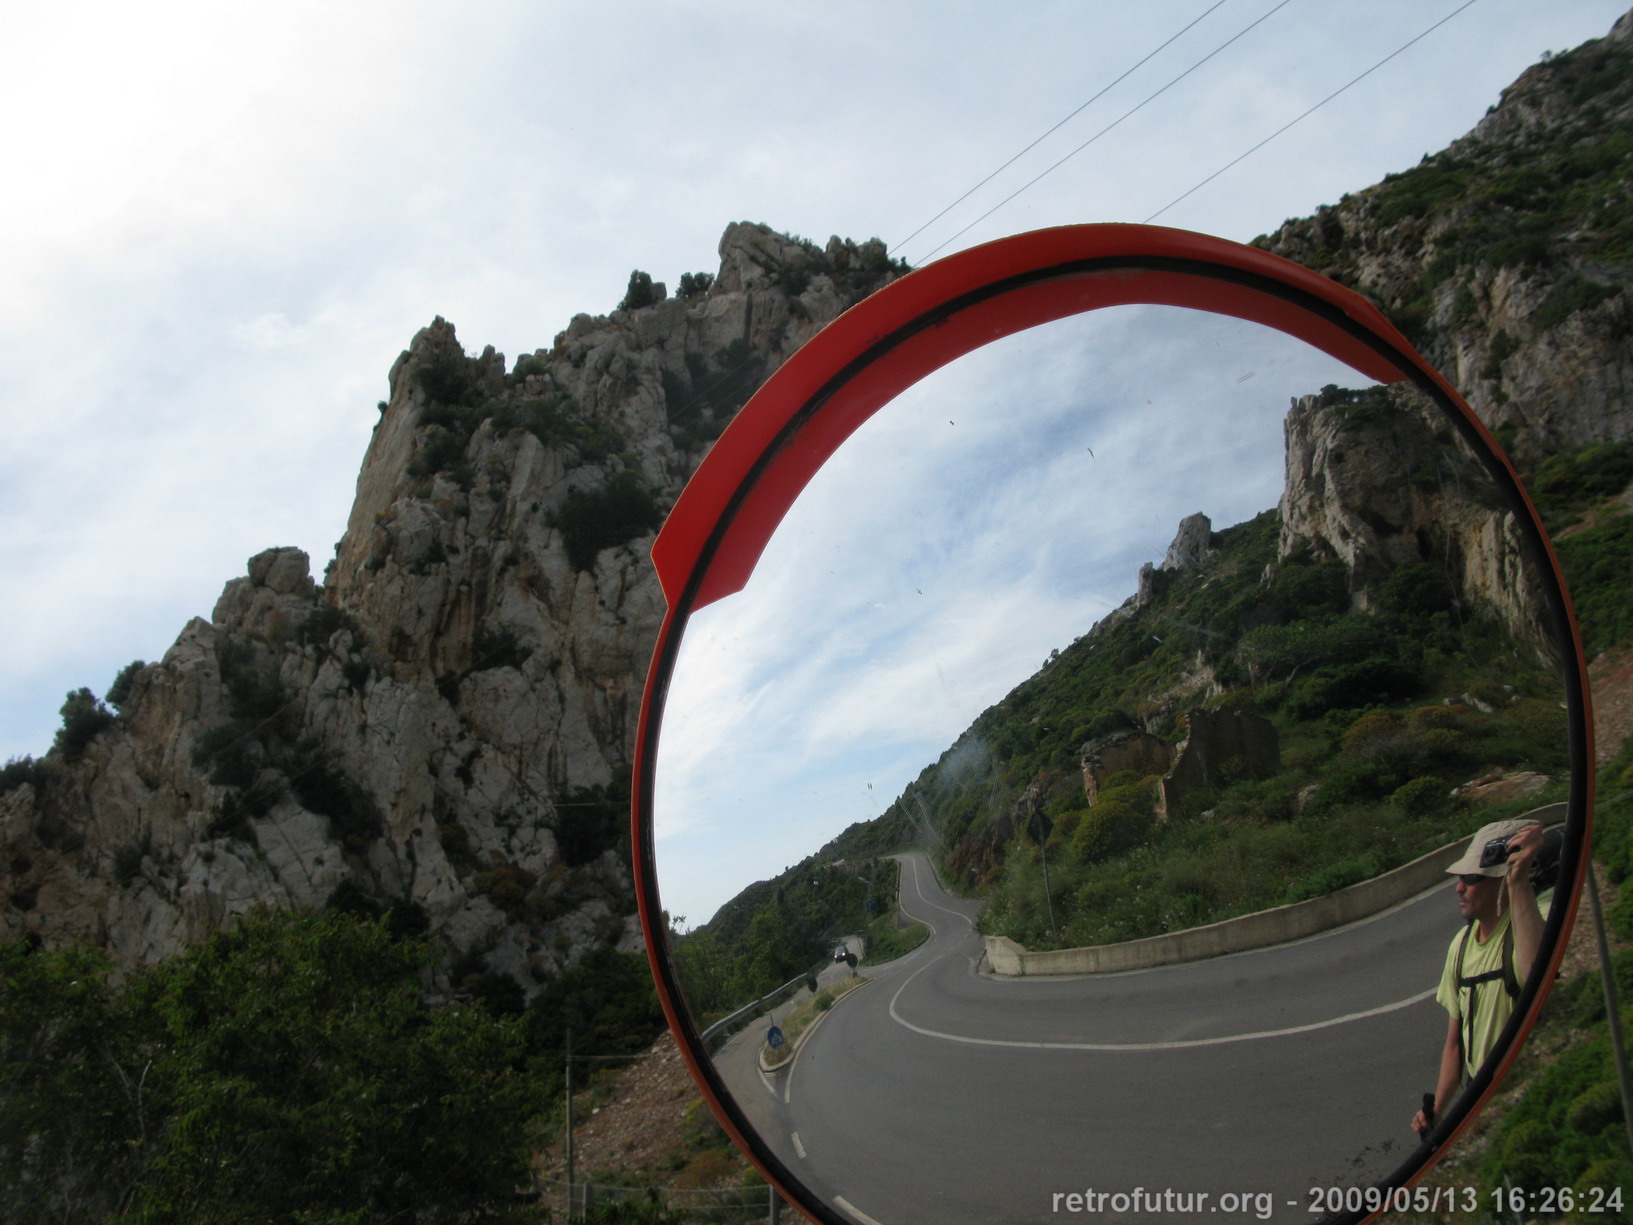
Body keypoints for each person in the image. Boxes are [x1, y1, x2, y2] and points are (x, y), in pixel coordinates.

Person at [1411, 818, 1551, 1137]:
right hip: (1483, 1098)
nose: (1460, 888)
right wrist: (1436, 1110)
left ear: (1499, 880)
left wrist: (1517, 883)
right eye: (1461, 878)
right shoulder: (1460, 947)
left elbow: (1537, 981)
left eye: (1472, 878)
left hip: (1528, 1091)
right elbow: (1455, 1044)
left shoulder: (1526, 929)